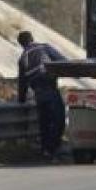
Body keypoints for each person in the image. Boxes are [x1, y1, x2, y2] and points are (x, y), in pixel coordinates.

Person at [17, 31, 67, 160]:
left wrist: (21, 99)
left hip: (38, 94)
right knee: (59, 119)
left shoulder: (22, 58)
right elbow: (63, 61)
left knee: (44, 122)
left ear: (21, 44)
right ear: (32, 39)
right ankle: (52, 149)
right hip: (51, 89)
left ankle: (45, 150)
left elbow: (22, 82)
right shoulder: (44, 47)